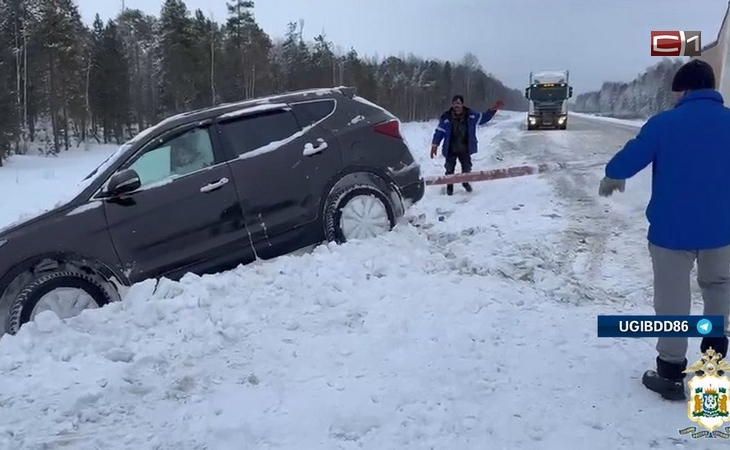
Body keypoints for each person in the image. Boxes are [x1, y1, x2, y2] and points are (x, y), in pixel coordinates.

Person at [599, 59, 730, 401]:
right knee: (718, 287)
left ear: (684, 89)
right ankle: (714, 361)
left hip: (672, 232)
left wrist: (614, 174)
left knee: (673, 301)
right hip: (722, 229)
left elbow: (629, 158)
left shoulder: (664, 124)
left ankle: (671, 373)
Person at [430, 95, 505, 195]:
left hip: (465, 148)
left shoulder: (471, 115)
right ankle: (449, 187)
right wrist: (435, 145)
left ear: (462, 104)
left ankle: (465, 182)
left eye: (458, 103)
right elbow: (439, 132)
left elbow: (483, 118)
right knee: (449, 169)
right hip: (450, 148)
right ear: (452, 104)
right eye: (454, 103)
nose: (456, 105)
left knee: (467, 168)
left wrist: (492, 110)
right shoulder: (446, 117)